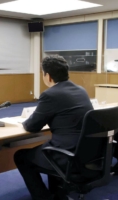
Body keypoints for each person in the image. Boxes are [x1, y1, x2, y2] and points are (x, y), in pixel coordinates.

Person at [14, 55, 93, 200]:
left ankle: (43, 197)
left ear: (48, 76)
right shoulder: (81, 90)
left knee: (21, 156)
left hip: (68, 155)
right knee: (48, 146)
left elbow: (32, 127)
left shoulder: (50, 94)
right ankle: (58, 194)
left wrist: (26, 121)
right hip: (89, 153)